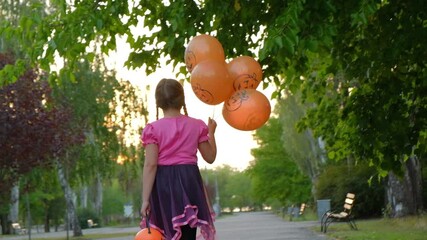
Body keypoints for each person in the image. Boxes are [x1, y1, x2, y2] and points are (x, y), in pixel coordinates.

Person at [140, 78, 217, 240]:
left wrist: (145, 199)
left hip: (164, 184)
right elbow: (210, 157)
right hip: (190, 180)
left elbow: (151, 164)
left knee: (166, 233)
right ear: (182, 100)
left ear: (158, 103)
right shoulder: (197, 125)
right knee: (188, 233)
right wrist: (211, 133)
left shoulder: (153, 129)